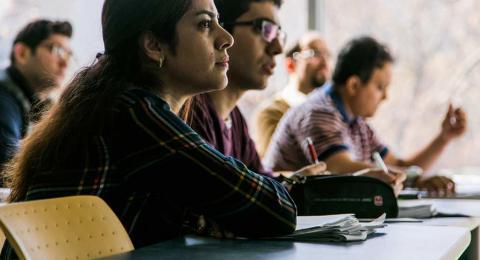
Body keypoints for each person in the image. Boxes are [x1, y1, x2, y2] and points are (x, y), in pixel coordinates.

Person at [1, 0, 297, 257]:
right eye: (205, 24)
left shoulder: (110, 100)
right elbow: (277, 210)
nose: (226, 38)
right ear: (154, 46)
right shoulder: (135, 113)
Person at [264, 36, 466, 193]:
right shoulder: (318, 113)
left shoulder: (356, 122)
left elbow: (398, 167)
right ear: (353, 85)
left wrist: (443, 138)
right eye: (380, 87)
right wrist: (414, 178)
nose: (385, 96)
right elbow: (340, 168)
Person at [182, 0, 327, 182]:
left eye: (278, 34)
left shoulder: (235, 119)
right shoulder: (189, 114)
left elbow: (260, 180)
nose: (278, 48)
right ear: (223, 31)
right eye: (264, 29)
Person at [0, 19, 73, 172]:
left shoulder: (34, 100)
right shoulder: (3, 97)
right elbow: (7, 171)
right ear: (22, 53)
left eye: (69, 54)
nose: (65, 62)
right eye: (57, 50)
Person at [253, 32, 331, 158]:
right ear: (290, 64)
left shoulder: (332, 114)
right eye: (314, 53)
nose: (324, 61)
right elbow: (271, 170)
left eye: (327, 54)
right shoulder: (271, 113)